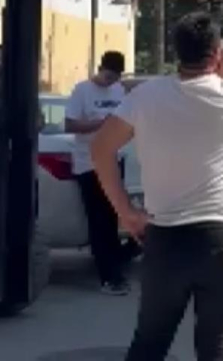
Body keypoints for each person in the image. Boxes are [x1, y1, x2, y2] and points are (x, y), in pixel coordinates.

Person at [91, 12, 223, 361]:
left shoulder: (146, 96)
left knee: (149, 343)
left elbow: (100, 148)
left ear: (176, 50)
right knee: (218, 348)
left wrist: (125, 211)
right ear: (218, 51)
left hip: (166, 236)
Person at [65, 50, 129, 295]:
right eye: (108, 76)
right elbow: (70, 124)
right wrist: (102, 123)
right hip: (89, 163)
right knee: (99, 219)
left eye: (115, 78)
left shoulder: (118, 91)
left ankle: (114, 269)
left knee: (113, 218)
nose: (110, 82)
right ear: (100, 70)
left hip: (114, 160)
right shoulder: (82, 90)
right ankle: (108, 277)